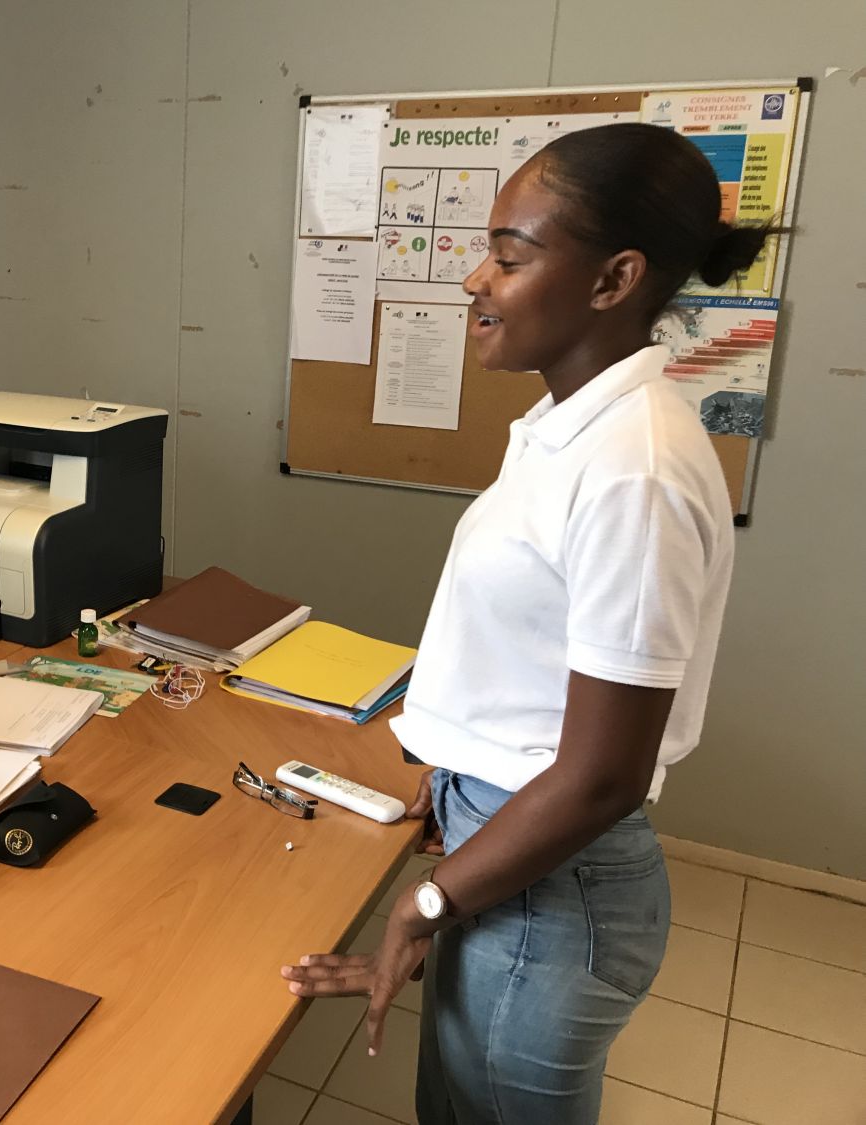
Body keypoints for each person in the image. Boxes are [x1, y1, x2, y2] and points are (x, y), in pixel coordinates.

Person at [282, 123, 767, 1123]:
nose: (475, 281)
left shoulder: (630, 467)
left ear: (612, 279)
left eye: (509, 255)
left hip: (553, 893)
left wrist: (421, 907)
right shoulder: (570, 429)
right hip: (507, 856)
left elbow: (602, 774)